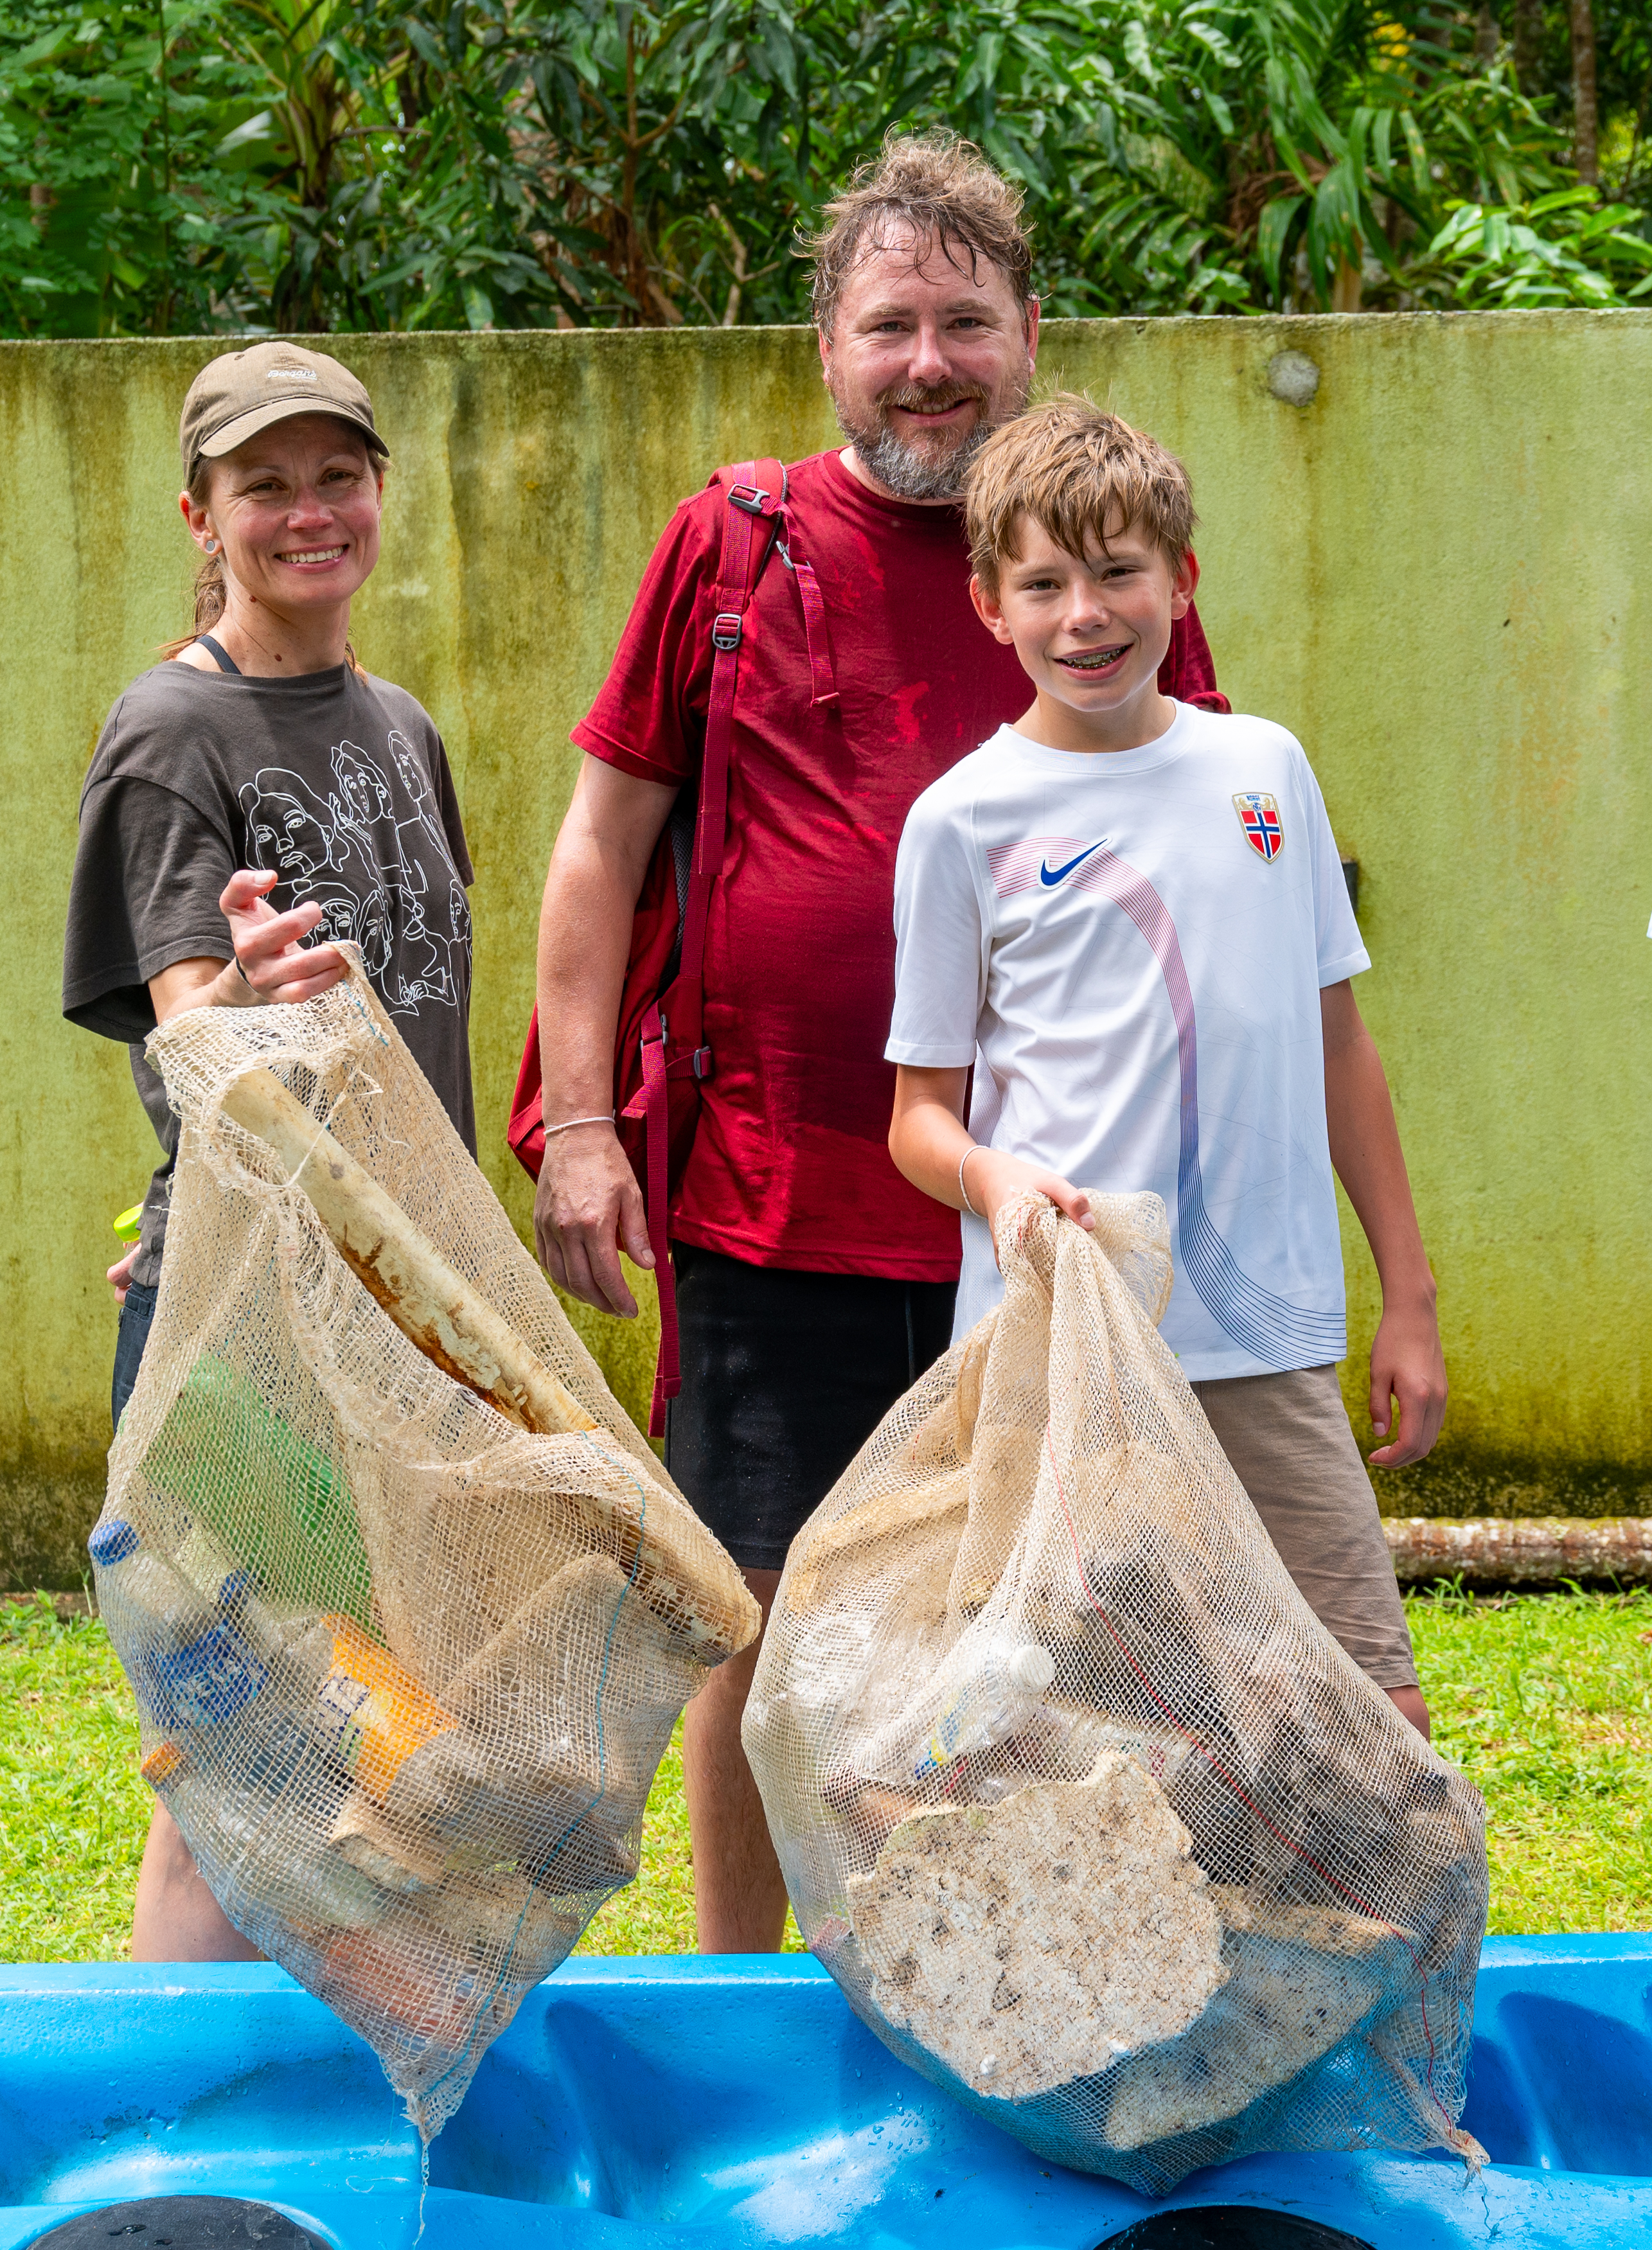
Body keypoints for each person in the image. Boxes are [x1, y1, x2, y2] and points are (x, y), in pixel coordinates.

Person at [531, 136, 1224, 1952]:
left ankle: (1001, 1966)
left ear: (1030, 330)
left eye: (966, 322)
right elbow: (604, 843)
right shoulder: (734, 541)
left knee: (1044, 1610)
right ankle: (742, 1986)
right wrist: (583, 1122)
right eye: (892, 323)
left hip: (1054, 1218)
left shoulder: (1101, 555)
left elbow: (1209, 862)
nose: (932, 361)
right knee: (763, 1610)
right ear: (829, 344)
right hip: (778, 1195)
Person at [881, 398, 1445, 1733]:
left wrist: (1408, 1295)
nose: (1086, 613)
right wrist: (994, 1178)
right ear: (989, 607)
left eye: (1119, 571)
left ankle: (1341, 1947)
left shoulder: (1264, 770)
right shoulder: (961, 818)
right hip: (1064, 1349)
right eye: (1045, 583)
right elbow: (918, 1118)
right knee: (1069, 1731)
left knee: (1368, 1718)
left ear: (1180, 580)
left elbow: (1337, 1047)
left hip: (1263, 1342)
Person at [63, 342, 475, 1962]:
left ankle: (324, 2132)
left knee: (372, 1743)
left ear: (378, 490)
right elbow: (191, 1027)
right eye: (264, 486)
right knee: (239, 1755)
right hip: (253, 1322)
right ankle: (182, 2166)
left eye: (335, 475)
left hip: (395, 1309)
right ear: (202, 514)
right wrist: (240, 979)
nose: (309, 512)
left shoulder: (399, 722)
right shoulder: (174, 726)